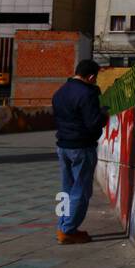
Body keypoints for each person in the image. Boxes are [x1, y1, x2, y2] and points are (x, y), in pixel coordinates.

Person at [51, 58, 108, 245]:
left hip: (63, 145)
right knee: (81, 191)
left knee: (66, 190)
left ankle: (62, 226)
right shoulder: (87, 94)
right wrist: (103, 116)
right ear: (91, 76)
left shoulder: (60, 92)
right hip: (81, 146)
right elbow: (92, 123)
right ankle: (69, 230)